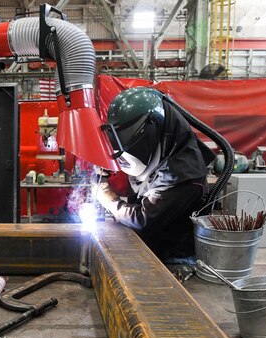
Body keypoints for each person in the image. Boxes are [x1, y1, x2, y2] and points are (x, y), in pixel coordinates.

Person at [92, 87, 215, 277]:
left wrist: (107, 198)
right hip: (152, 247)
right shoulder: (159, 150)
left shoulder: (182, 175)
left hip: (174, 261)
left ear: (151, 128)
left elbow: (143, 218)